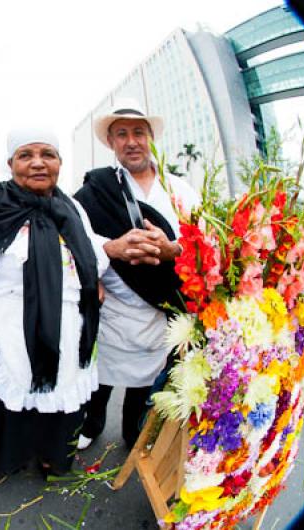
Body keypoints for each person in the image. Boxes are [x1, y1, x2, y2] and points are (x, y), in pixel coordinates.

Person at [0, 128, 108, 480]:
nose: (37, 163)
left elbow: (91, 256)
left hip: (66, 333)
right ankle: (3, 461)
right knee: (5, 405)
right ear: (10, 164)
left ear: (60, 162)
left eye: (47, 154)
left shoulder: (71, 207)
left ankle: (51, 457)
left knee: (61, 400)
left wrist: (94, 283)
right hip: (7, 334)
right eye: (26, 155)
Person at [73, 97, 200, 451]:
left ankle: (134, 429)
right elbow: (71, 236)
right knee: (103, 375)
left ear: (150, 139)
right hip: (113, 303)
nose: (131, 141)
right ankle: (93, 422)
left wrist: (171, 249)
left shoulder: (180, 191)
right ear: (111, 143)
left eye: (139, 132)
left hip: (162, 307)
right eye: (122, 134)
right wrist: (107, 255)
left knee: (145, 377)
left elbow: (203, 242)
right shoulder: (96, 190)